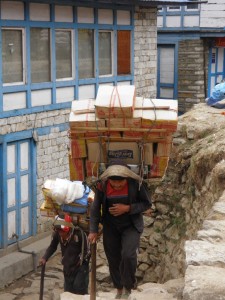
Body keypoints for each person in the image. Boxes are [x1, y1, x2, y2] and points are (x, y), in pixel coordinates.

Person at [88, 162, 152, 299]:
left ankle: (128, 287)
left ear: (127, 179)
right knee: (113, 259)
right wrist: (93, 230)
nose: (117, 185)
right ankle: (118, 289)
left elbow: (147, 204)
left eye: (120, 182)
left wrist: (127, 208)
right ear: (108, 180)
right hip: (111, 226)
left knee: (128, 255)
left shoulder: (136, 185)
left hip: (131, 225)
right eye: (114, 182)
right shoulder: (102, 186)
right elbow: (95, 209)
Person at [40, 214, 90, 295]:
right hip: (67, 267)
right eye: (58, 230)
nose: (60, 233)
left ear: (68, 229)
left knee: (80, 290)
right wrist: (45, 257)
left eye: (62, 231)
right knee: (68, 293)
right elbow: (52, 247)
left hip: (80, 267)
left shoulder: (79, 234)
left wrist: (80, 261)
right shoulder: (57, 234)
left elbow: (87, 251)